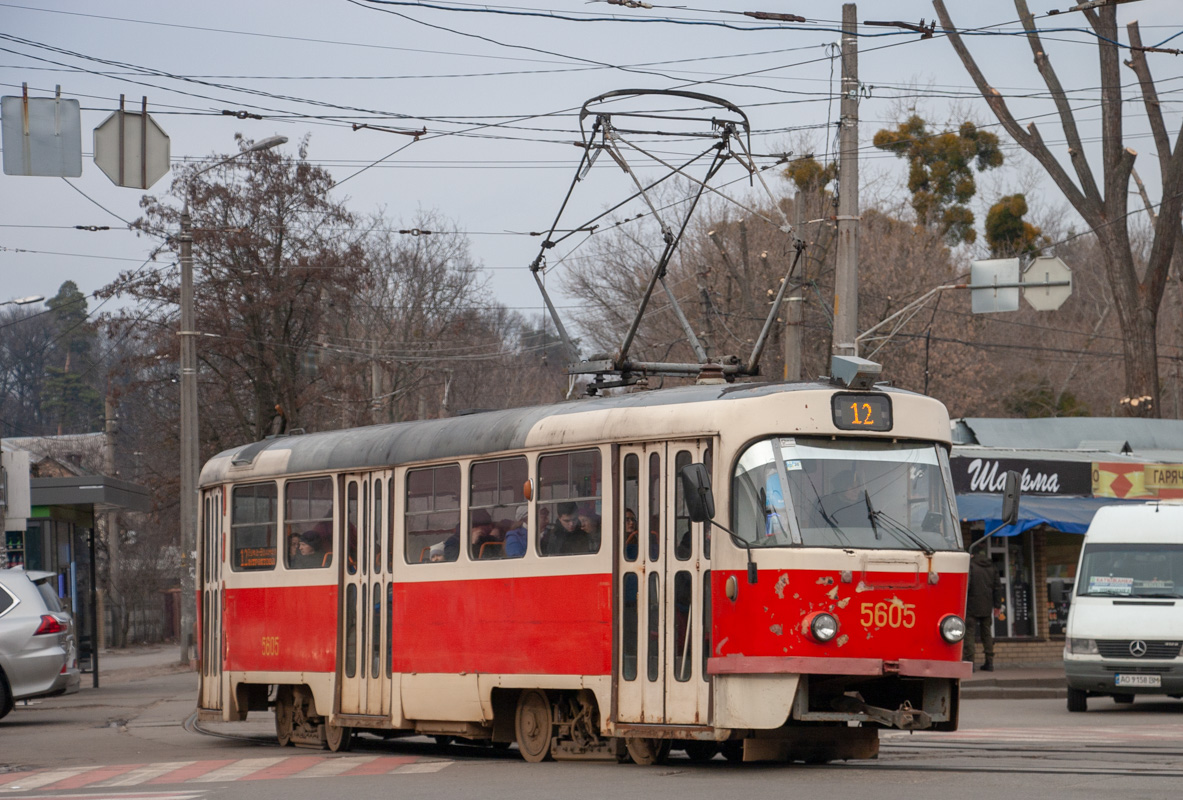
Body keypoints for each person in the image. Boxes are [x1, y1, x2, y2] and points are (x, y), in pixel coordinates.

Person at [965, 549, 1002, 671]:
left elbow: (967, 585)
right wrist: (997, 606)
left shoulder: (971, 565)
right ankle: (989, 662)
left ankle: (970, 663)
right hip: (987, 605)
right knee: (987, 634)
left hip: (971, 605)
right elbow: (997, 587)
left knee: (969, 633)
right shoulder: (992, 567)